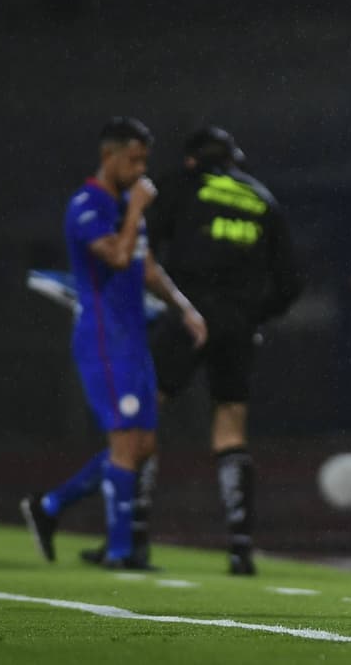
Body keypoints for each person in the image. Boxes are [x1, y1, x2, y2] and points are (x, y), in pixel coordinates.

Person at [110, 125, 301, 576]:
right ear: (234, 160)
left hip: (188, 314)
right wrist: (254, 314)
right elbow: (291, 282)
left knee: (144, 414)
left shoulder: (182, 186)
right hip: (239, 323)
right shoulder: (261, 198)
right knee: (231, 427)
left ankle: (133, 539)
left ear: (193, 160)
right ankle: (240, 548)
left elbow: (141, 249)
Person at [21, 117, 207, 570]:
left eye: (145, 160)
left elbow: (145, 269)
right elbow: (119, 256)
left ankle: (49, 507)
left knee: (143, 446)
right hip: (105, 339)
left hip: (133, 339)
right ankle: (121, 553)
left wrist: (185, 308)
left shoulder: (125, 205)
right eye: (133, 160)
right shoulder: (88, 206)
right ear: (108, 156)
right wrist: (138, 210)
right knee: (125, 443)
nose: (141, 170)